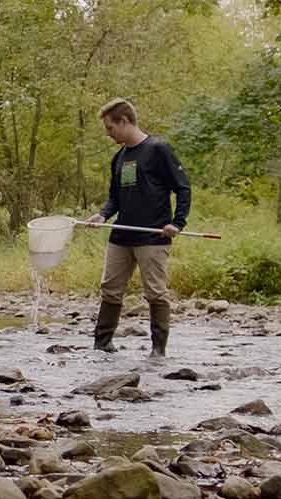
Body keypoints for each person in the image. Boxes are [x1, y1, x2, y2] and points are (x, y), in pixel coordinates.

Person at [85, 98, 192, 359]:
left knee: (155, 292)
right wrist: (102, 215)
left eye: (110, 128)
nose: (108, 134)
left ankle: (158, 350)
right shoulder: (118, 157)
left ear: (124, 121)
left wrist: (177, 223)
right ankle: (102, 345)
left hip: (153, 237)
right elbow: (115, 197)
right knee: (110, 288)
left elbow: (183, 188)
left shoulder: (158, 149)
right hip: (121, 235)